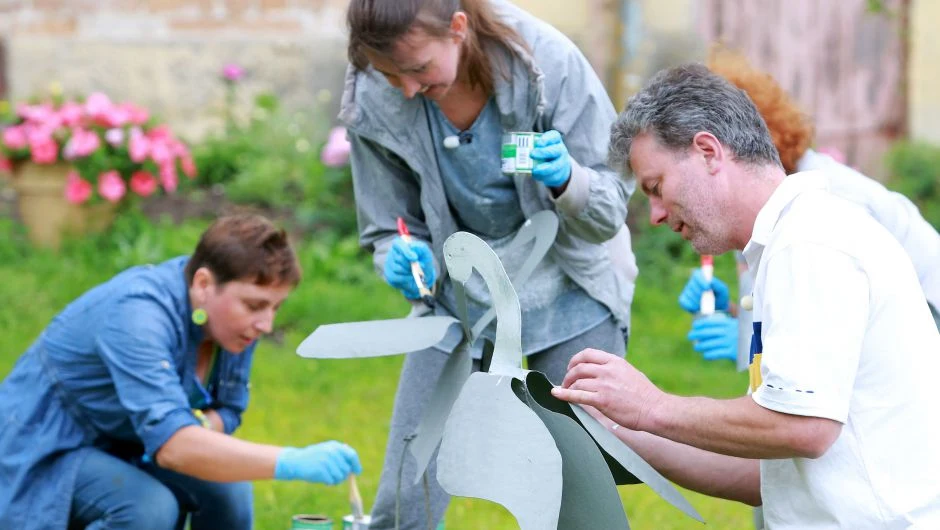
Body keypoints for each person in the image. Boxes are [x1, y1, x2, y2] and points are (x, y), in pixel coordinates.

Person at [552, 64, 940, 528]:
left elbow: (804, 429)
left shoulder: (811, 242)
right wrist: (621, 429)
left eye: (656, 188)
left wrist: (653, 405)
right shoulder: (785, 243)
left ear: (708, 151)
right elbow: (767, 474)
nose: (654, 214)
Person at [340, 0, 636, 527]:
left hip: (570, 290)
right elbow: (388, 224)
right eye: (391, 76)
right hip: (459, 304)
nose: (406, 89)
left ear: (457, 29)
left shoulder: (548, 64)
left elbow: (610, 208)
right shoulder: (373, 90)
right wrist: (397, 254)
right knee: (406, 495)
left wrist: (570, 180)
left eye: (417, 70)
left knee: (583, 499)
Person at [0, 214, 362, 530]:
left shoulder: (231, 325)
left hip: (129, 442)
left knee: (230, 490)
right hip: (46, 446)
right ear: (204, 285)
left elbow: (227, 411)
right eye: (254, 305)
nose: (266, 324)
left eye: (276, 307)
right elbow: (174, 448)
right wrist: (289, 461)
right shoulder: (138, 315)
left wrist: (194, 433)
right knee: (146, 507)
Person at [678, 49, 940, 369]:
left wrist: (755, 344)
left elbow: (841, 330)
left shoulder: (833, 201)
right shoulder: (758, 204)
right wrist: (736, 312)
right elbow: (789, 310)